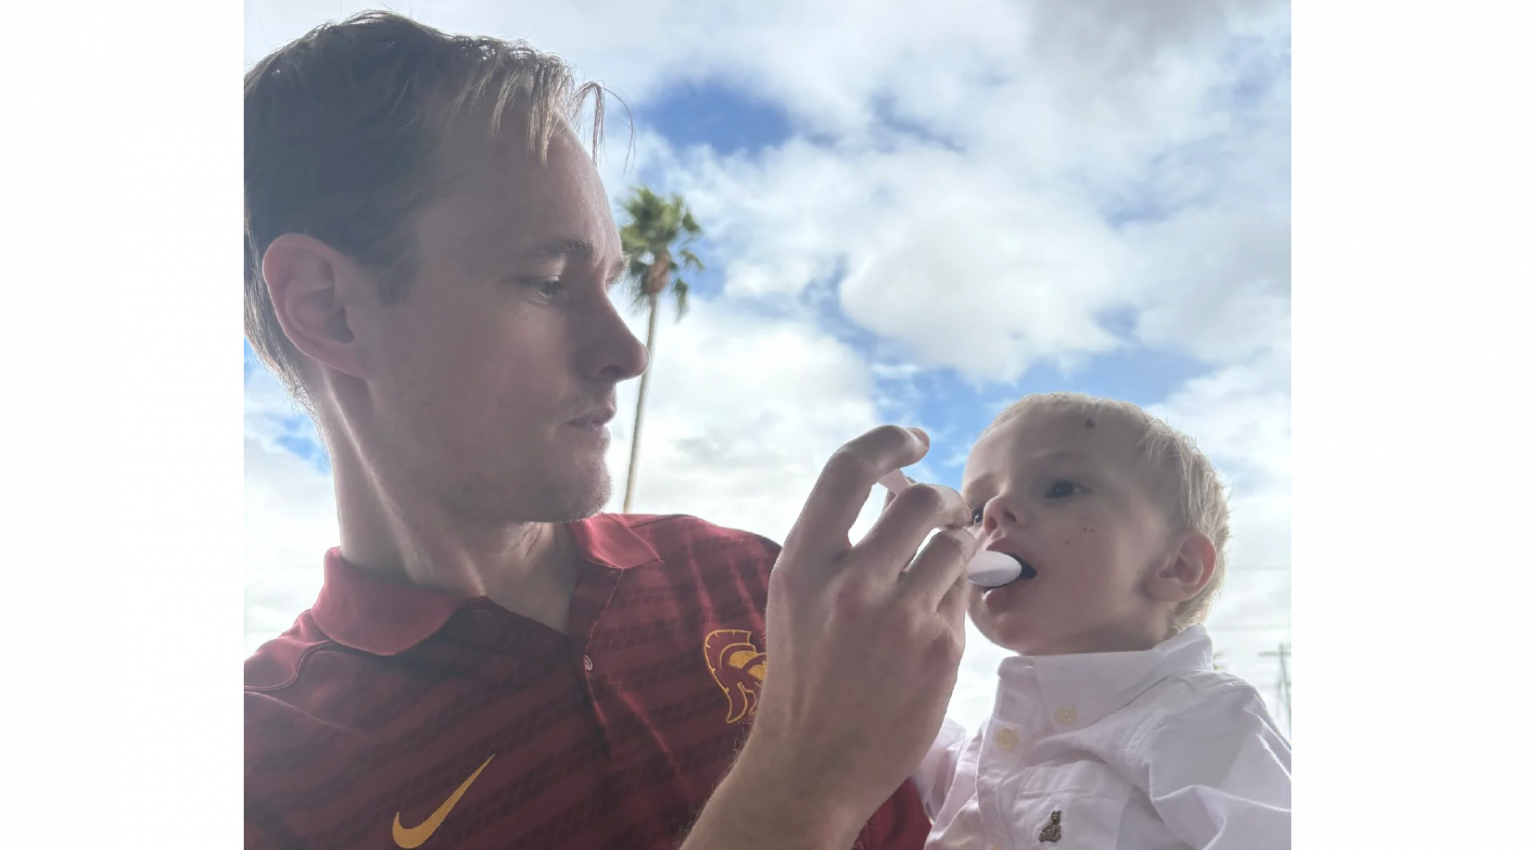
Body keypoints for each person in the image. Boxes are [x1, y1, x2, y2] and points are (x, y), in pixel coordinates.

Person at [243, 11, 978, 850]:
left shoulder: (754, 582)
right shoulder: (269, 777)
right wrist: (805, 782)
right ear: (328, 307)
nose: (628, 353)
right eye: (548, 281)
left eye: (613, 283)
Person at [911, 392, 1292, 849]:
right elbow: (909, 754)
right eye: (975, 512)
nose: (993, 514)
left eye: (1060, 488)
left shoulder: (1204, 719)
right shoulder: (994, 745)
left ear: (1178, 566)